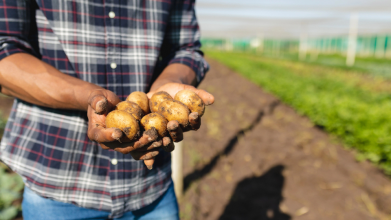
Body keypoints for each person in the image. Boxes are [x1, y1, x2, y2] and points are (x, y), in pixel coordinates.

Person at [0, 0, 214, 219]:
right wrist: (88, 97)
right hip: (55, 181)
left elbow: (186, 50)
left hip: (150, 188)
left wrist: (163, 93)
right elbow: (4, 49)